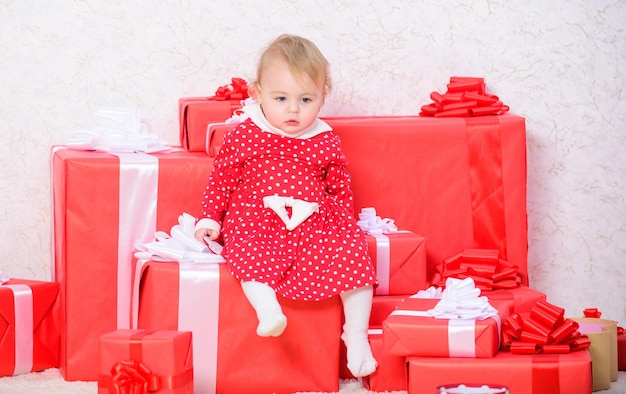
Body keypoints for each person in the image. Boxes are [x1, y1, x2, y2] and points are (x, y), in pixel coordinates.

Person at [194, 34, 378, 377]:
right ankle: (269, 311)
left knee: (354, 255)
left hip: (312, 223)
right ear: (257, 93)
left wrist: (342, 225)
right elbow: (221, 181)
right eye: (281, 98)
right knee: (246, 252)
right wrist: (209, 218)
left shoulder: (324, 139)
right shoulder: (245, 135)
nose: (293, 109)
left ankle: (356, 335)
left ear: (322, 97)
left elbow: (339, 189)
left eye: (305, 99)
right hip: (256, 222)